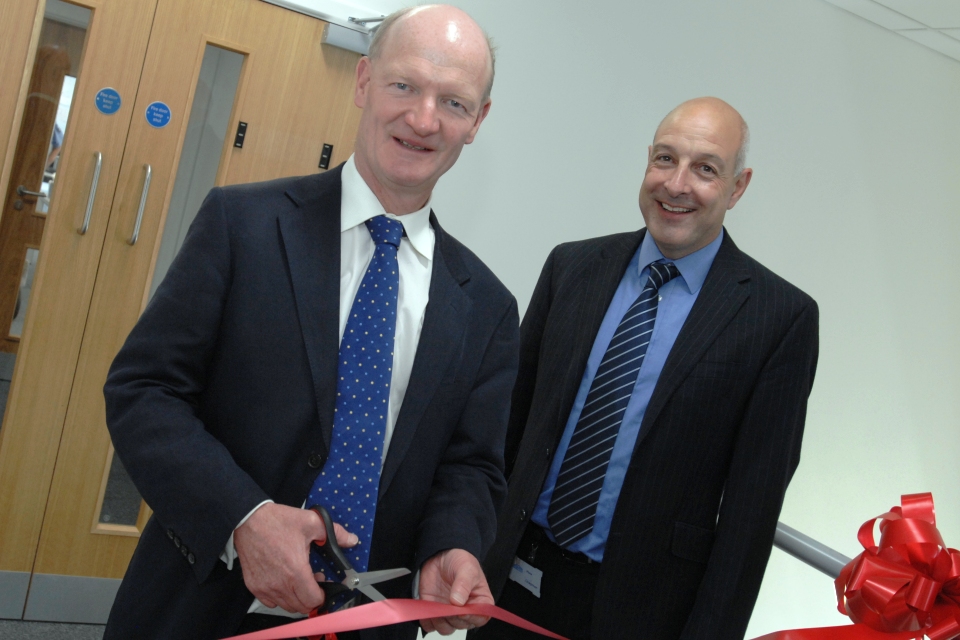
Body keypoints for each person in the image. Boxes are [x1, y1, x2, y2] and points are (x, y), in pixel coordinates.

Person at [102, 6, 518, 639]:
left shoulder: (487, 306)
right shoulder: (242, 225)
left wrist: (450, 547)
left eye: (454, 102)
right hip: (201, 604)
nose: (424, 119)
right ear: (363, 82)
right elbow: (143, 392)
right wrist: (245, 517)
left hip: (370, 620)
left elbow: (471, 467)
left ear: (478, 122)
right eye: (404, 86)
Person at [475, 97, 819, 640]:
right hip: (514, 581)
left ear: (738, 187)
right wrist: (468, 549)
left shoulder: (778, 319)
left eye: (705, 168)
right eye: (665, 159)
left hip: (645, 612)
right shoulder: (572, 267)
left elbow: (750, 517)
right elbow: (505, 431)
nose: (677, 184)